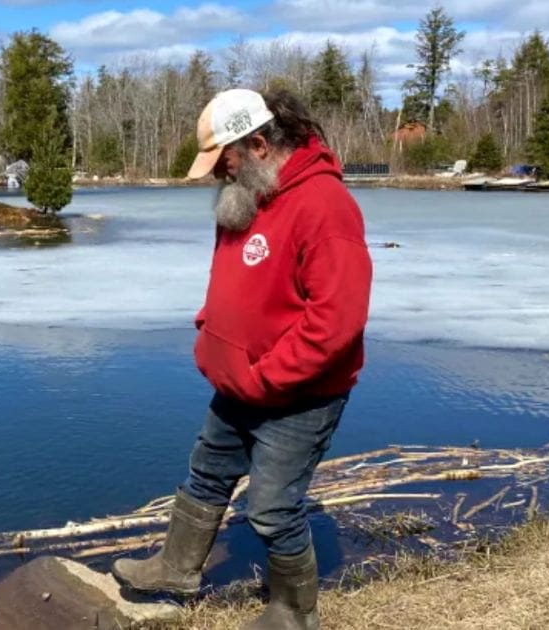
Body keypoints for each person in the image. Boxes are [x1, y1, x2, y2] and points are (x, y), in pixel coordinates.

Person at [111, 88, 373, 630]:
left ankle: (293, 613)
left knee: (272, 509)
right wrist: (211, 330)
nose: (215, 174)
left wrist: (265, 377)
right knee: (205, 475)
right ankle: (176, 568)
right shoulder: (249, 194)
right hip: (238, 384)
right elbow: (236, 280)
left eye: (221, 160)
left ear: (256, 144)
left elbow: (336, 325)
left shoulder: (324, 206)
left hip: (300, 396)